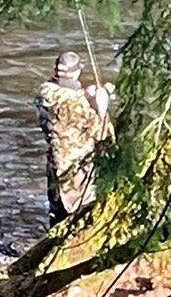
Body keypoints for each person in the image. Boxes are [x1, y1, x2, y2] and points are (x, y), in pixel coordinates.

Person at [36, 50, 114, 222]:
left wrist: (84, 94)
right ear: (77, 72)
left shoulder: (45, 93)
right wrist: (102, 107)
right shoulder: (76, 104)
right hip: (76, 171)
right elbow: (102, 134)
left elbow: (65, 102)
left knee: (56, 215)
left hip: (55, 165)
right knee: (80, 215)